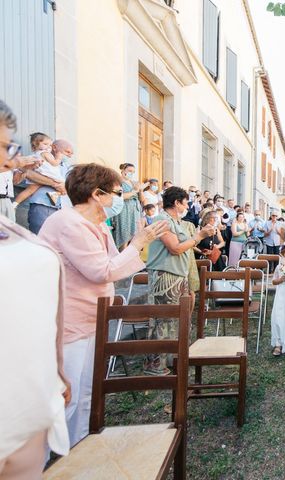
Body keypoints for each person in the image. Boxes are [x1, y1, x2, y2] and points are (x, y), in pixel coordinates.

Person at [37, 163, 167, 448]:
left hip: (92, 316)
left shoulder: (96, 224)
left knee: (87, 392)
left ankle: (81, 447)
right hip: (69, 319)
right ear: (97, 194)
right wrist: (137, 242)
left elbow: (114, 263)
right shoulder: (68, 223)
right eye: (117, 193)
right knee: (65, 396)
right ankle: (51, 459)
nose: (121, 199)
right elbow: (101, 271)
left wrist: (137, 244)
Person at [0, 100, 70, 478]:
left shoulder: (11, 227)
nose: (12, 161)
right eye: (4, 149)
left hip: (30, 415)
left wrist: (55, 373)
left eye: (9, 147)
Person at [145, 186, 215, 375]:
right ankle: (155, 365)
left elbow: (185, 246)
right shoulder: (162, 219)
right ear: (176, 202)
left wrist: (198, 236)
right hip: (165, 275)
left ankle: (173, 359)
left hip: (178, 275)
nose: (186, 206)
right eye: (184, 202)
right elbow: (175, 248)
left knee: (177, 320)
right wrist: (199, 236)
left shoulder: (177, 222)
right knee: (163, 320)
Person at [16, 139, 73, 234]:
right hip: (43, 205)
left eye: (71, 153)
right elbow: (29, 173)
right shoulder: (38, 160)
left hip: (62, 208)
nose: (69, 156)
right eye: (67, 152)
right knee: (40, 237)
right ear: (54, 148)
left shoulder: (67, 167)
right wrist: (54, 183)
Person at [12, 132, 63, 207]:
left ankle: (15, 203)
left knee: (29, 190)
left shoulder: (35, 154)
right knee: (63, 184)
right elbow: (54, 163)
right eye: (45, 144)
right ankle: (54, 194)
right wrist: (59, 158)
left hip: (38, 174)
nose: (48, 147)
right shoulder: (45, 153)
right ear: (35, 145)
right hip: (48, 174)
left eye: (50, 145)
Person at [111, 163, 146, 249]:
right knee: (124, 237)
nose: (131, 173)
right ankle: (122, 258)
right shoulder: (117, 182)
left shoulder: (134, 183)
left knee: (135, 237)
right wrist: (134, 191)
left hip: (135, 211)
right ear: (123, 170)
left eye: (133, 172)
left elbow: (142, 199)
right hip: (124, 211)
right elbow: (119, 196)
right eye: (129, 171)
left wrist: (140, 190)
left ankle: (132, 258)